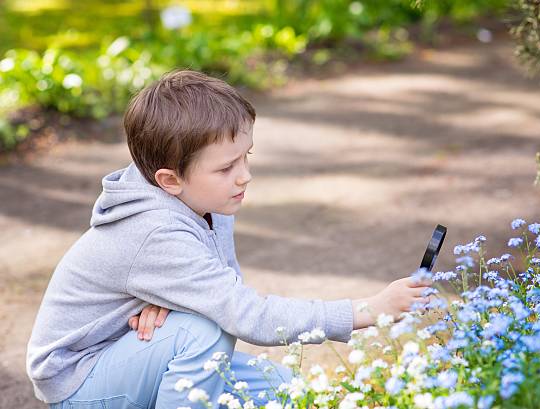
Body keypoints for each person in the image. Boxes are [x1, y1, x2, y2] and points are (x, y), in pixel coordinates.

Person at [26, 69, 432, 408]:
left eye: (246, 156)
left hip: (133, 351)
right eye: (225, 168)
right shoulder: (154, 231)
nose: (244, 176)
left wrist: (173, 299)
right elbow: (245, 314)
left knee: (287, 388)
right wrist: (370, 309)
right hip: (80, 383)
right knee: (204, 330)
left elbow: (223, 290)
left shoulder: (206, 203)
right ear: (169, 179)